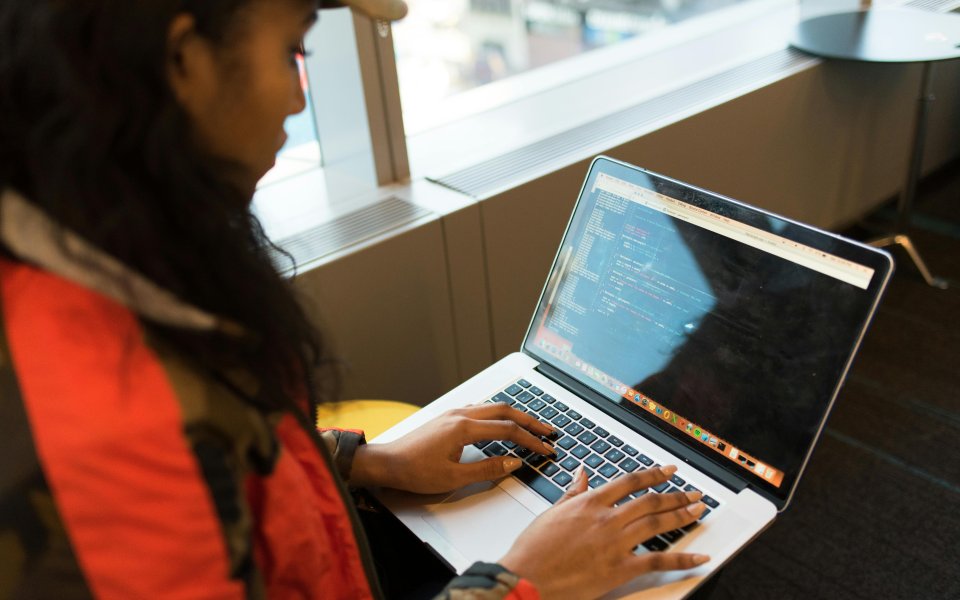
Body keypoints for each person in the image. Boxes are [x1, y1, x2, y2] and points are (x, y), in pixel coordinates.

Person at [0, 0, 710, 597]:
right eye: (292, 52)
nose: (298, 97)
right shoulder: (118, 443)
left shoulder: (108, 253)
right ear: (184, 61)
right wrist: (521, 583)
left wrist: (361, 464)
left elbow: (240, 464)